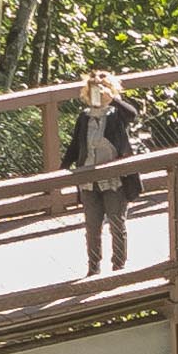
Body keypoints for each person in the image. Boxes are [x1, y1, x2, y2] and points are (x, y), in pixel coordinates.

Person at [63, 70, 138, 273]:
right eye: (93, 90)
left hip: (114, 179)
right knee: (92, 226)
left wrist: (112, 100)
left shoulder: (116, 115)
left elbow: (132, 115)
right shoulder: (84, 117)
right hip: (88, 180)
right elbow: (75, 146)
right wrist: (62, 169)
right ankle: (93, 267)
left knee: (116, 222)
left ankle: (118, 266)